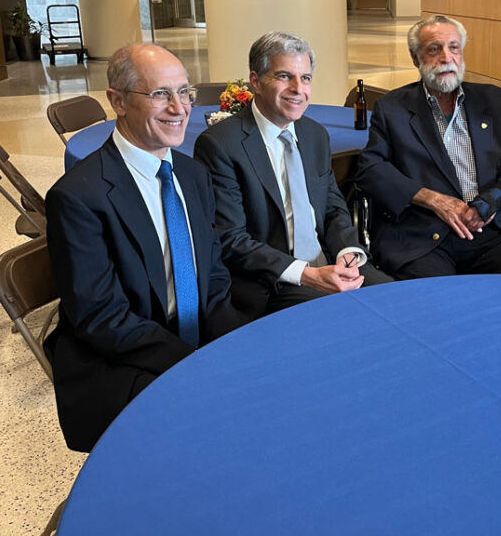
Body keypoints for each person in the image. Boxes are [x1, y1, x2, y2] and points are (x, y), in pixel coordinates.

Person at [45, 44, 244, 452]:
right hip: (121, 356)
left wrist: (231, 346)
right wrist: (192, 363)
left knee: (264, 385)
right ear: (116, 101)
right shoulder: (79, 196)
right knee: (210, 425)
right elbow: (102, 318)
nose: (179, 108)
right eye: (159, 94)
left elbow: (213, 271)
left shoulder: (192, 174)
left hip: (190, 337)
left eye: (184, 92)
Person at [193, 31, 392, 317]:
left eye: (306, 78)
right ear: (255, 81)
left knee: (400, 301)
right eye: (284, 76)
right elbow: (231, 239)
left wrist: (347, 252)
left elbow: (333, 208)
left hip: (330, 262)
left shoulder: (315, 135)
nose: (298, 88)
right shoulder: (220, 145)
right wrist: (308, 275)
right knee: (348, 318)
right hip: (274, 279)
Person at [354, 14, 501, 278]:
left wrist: (496, 196)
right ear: (415, 58)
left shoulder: (496, 102)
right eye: (434, 49)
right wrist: (432, 199)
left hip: (491, 229)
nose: (447, 58)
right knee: (432, 299)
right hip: (423, 235)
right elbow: (370, 169)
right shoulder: (392, 108)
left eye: (454, 47)